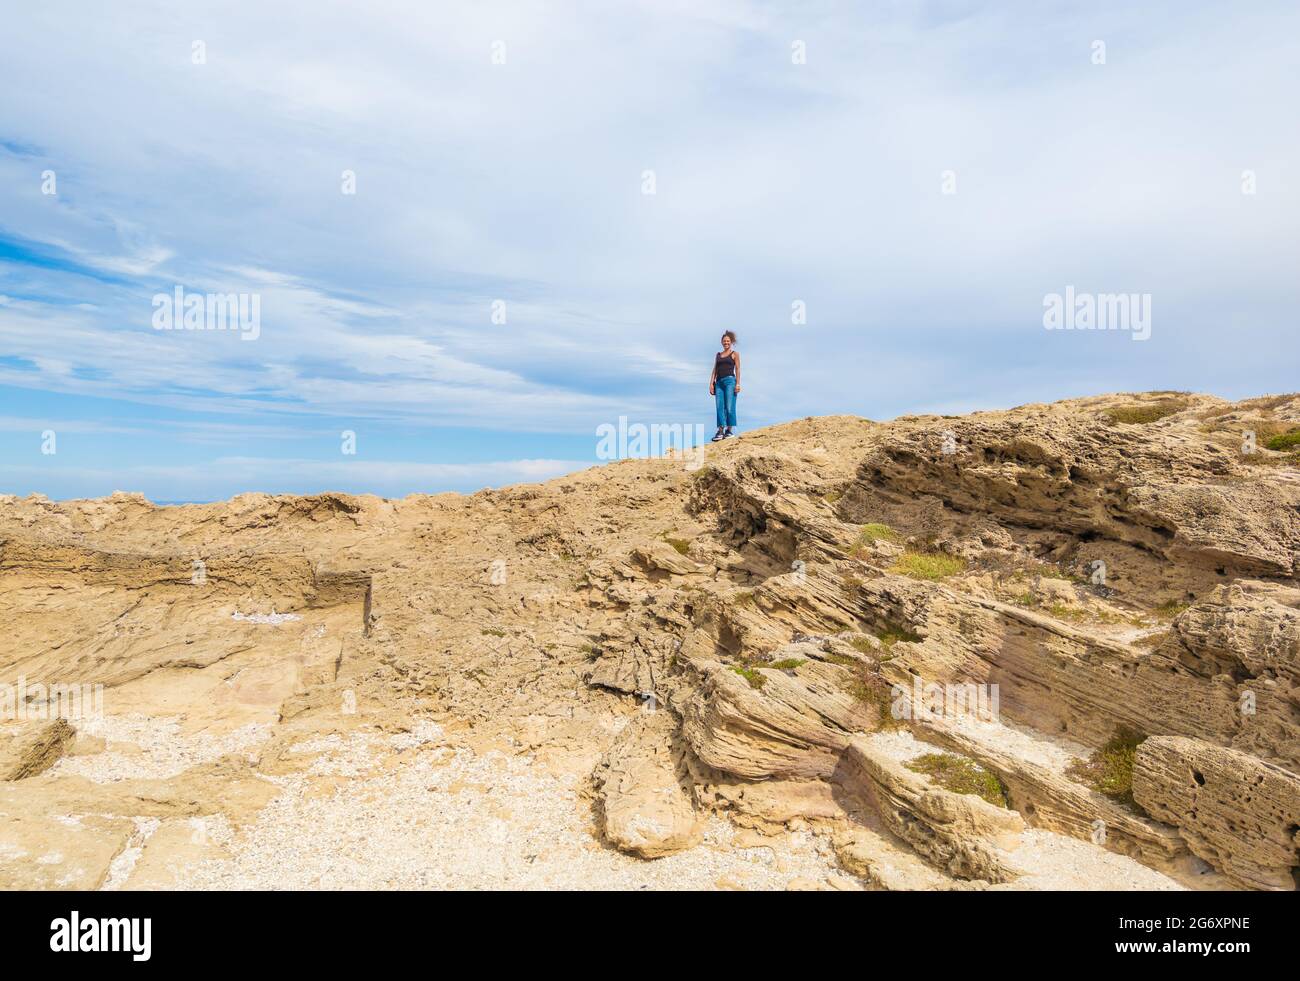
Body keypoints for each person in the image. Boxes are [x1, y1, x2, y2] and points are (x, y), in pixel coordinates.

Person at [708, 331, 740, 441]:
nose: (726, 342)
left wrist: (738, 383)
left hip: (730, 381)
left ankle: (729, 430)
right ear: (722, 342)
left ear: (731, 342)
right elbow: (715, 370)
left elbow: (738, 369)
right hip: (719, 383)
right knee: (719, 407)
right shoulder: (718, 355)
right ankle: (720, 431)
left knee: (729, 406)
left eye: (728, 341)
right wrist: (711, 384)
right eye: (724, 341)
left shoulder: (734, 354)